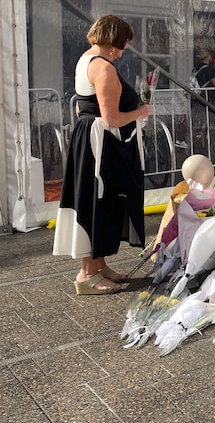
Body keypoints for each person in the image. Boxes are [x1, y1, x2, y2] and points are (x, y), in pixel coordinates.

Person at [53, 15, 152, 295]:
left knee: (99, 201)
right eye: (124, 44)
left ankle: (98, 265)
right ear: (114, 42)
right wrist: (140, 112)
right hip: (100, 144)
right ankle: (86, 274)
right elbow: (111, 118)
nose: (124, 51)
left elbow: (81, 107)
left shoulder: (85, 59)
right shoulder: (104, 68)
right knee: (95, 201)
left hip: (90, 140)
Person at [189, 48, 215, 154]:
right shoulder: (209, 69)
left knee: (200, 122)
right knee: (211, 122)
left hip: (198, 99)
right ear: (208, 57)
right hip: (208, 99)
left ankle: (200, 143)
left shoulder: (195, 68)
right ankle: (211, 143)